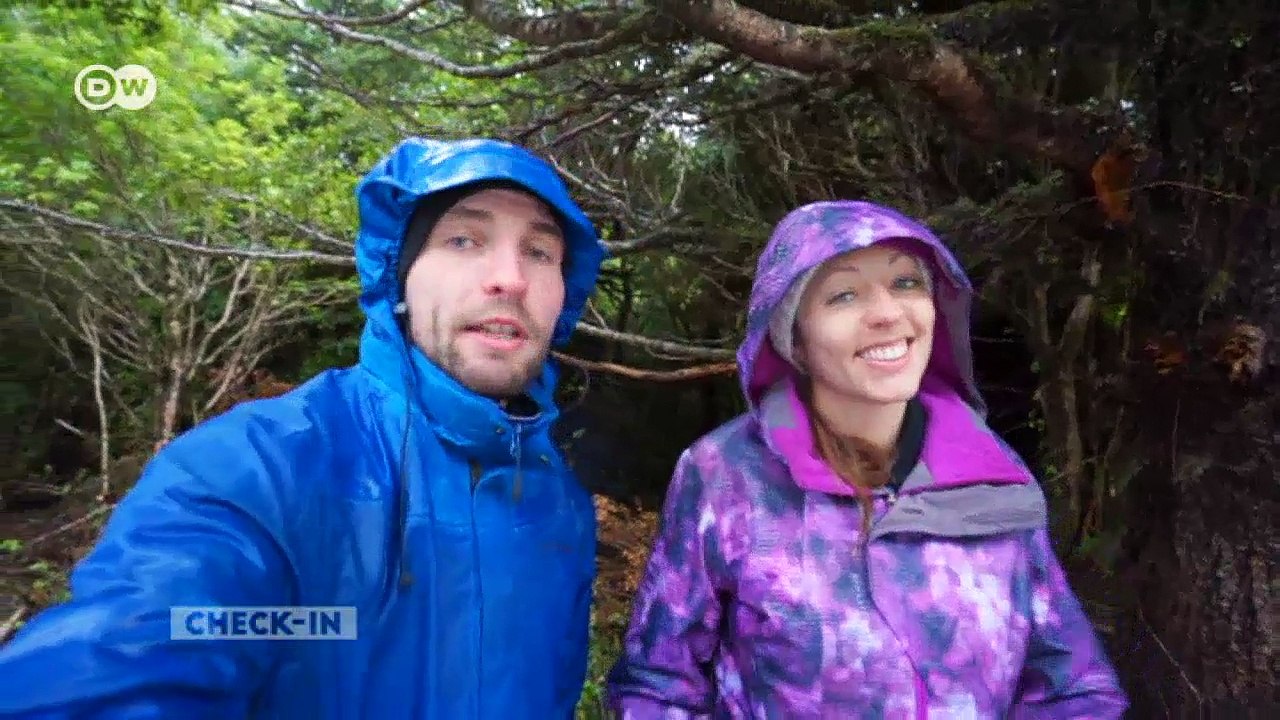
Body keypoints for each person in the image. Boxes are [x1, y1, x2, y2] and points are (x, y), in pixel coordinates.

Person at [0, 137, 608, 718]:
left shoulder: (561, 506)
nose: (511, 278)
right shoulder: (256, 471)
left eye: (539, 251)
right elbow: (133, 650)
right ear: (397, 277)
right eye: (463, 239)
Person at [606, 200, 1128, 718]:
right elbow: (658, 686)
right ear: (795, 340)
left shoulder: (993, 474)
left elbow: (1073, 690)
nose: (886, 313)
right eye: (844, 294)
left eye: (906, 283)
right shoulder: (726, 475)